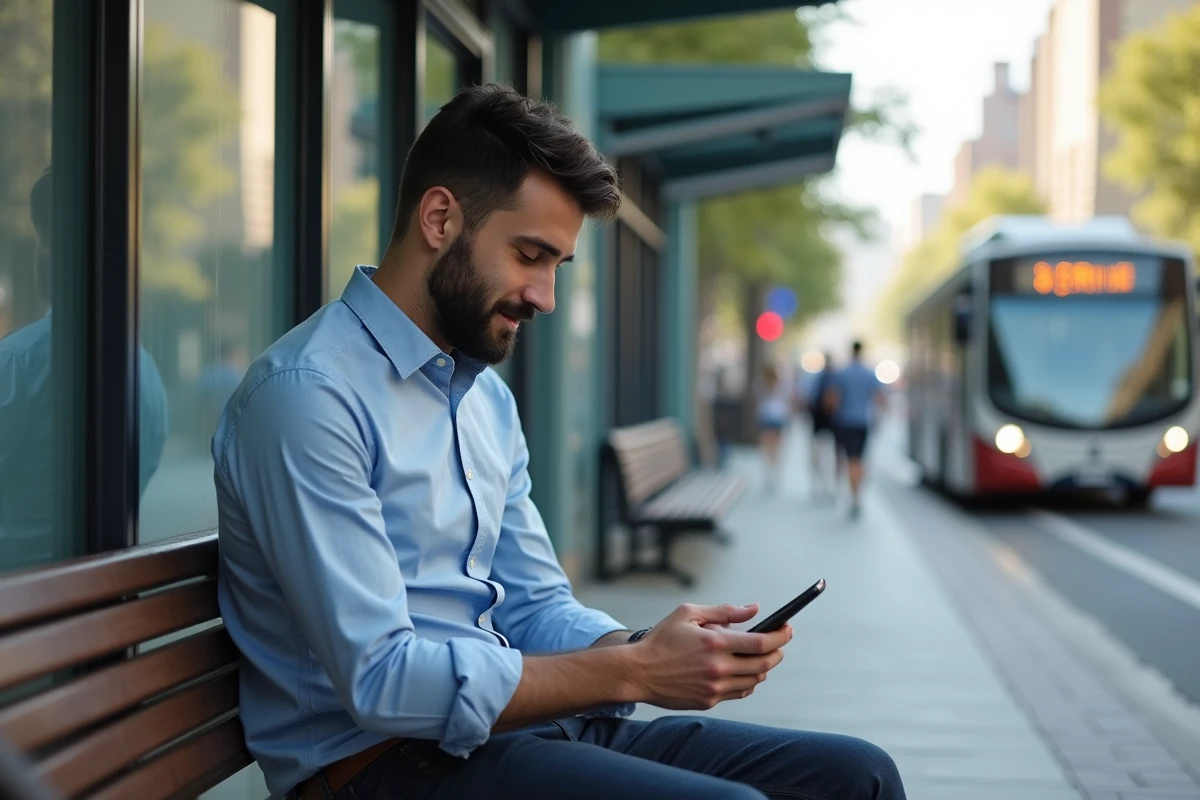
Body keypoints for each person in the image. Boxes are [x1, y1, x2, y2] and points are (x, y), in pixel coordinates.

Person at [213, 84, 905, 800]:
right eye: (529, 255)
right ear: (441, 217)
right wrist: (632, 674)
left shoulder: (484, 399)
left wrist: (647, 650)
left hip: (512, 729)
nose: (544, 296)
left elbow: (534, 606)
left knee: (857, 777)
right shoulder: (307, 396)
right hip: (378, 766)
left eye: (556, 266)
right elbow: (383, 682)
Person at [0, 168, 168, 569]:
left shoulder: (19, 361)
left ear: (59, 250)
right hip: (97, 596)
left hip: (16, 599)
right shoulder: (144, 372)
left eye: (42, 238)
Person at [825, 341, 885, 520]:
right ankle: (857, 493)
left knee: (851, 460)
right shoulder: (869, 373)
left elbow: (831, 400)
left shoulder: (842, 374)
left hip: (846, 422)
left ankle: (855, 496)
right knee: (859, 459)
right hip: (863, 422)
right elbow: (880, 398)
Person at [804, 353, 838, 502]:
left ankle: (823, 484)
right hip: (827, 424)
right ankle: (826, 484)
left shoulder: (815, 379)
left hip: (820, 423)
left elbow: (807, 399)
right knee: (826, 455)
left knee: (820, 454)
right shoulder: (832, 379)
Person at [756, 363, 790, 492]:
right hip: (776, 417)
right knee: (775, 446)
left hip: (770, 417)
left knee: (768, 445)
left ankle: (771, 470)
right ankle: (774, 470)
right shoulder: (767, 384)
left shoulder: (765, 384)